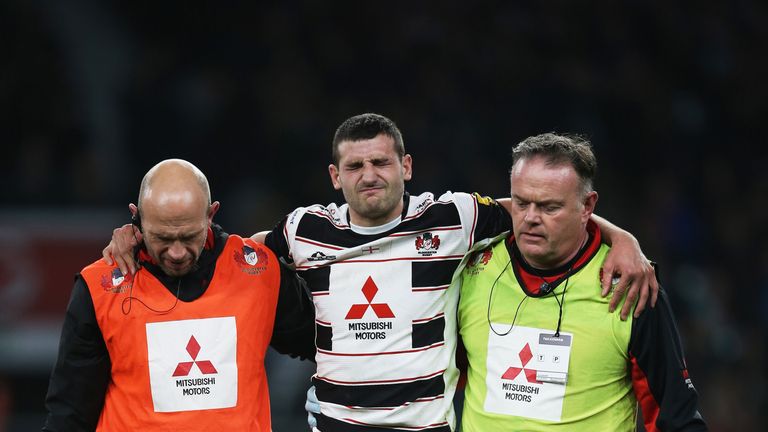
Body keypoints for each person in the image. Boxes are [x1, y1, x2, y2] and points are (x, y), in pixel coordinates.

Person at [104, 114, 658, 431]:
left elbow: (543, 208)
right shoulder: (302, 231)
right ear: (334, 176)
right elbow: (220, 251)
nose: (369, 175)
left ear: (405, 167)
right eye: (355, 166)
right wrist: (137, 237)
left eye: (381, 162)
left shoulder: (455, 217)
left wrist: (621, 238)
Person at [456, 133, 706, 430]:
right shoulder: (471, 267)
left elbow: (676, 418)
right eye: (521, 203)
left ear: (587, 206)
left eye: (550, 207)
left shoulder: (631, 285)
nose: (530, 218)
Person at [43, 159, 314, 431]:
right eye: (162, 237)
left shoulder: (259, 272)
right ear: (136, 218)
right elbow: (69, 414)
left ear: (211, 214)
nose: (176, 253)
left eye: (188, 236)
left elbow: (328, 342)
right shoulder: (99, 287)